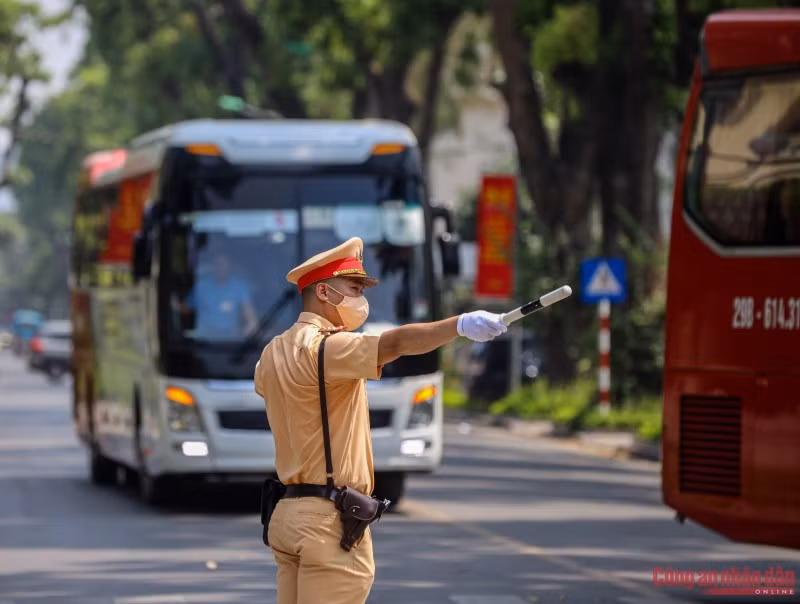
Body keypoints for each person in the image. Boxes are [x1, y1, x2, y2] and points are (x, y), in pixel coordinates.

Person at [254, 236, 508, 604]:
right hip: (327, 521)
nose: (361, 299)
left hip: (287, 516)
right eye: (354, 289)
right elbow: (394, 344)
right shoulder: (327, 348)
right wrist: (460, 325)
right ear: (323, 292)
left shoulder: (271, 353)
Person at [177, 251, 258, 339]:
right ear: (214, 266)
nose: (221, 268)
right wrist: (175, 305)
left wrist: (251, 325)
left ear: (229, 266)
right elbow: (186, 309)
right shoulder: (201, 287)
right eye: (218, 265)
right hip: (204, 340)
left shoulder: (239, 287)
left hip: (231, 341)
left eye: (224, 265)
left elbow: (249, 313)